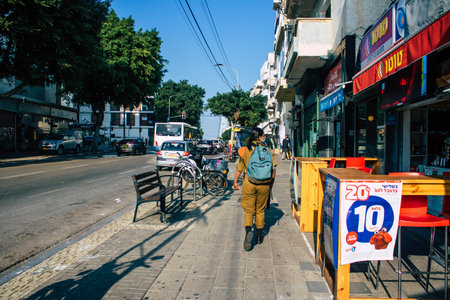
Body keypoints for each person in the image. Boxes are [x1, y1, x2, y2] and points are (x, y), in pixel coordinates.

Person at [233, 127, 277, 251]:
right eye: (262, 136)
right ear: (259, 137)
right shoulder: (267, 149)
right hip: (264, 184)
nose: (263, 137)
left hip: (249, 182)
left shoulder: (244, 150)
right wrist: (270, 184)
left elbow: (239, 168)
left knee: (248, 210)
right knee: (260, 210)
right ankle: (259, 236)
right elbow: (273, 169)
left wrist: (235, 182)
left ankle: (248, 230)